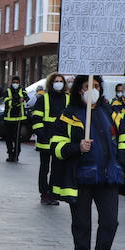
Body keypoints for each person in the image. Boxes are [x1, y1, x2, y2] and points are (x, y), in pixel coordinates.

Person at [50, 75, 125, 250]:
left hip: (108, 176)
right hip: (81, 178)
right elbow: (56, 146)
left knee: (110, 221)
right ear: (80, 90)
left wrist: (121, 158)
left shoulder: (110, 112)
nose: (93, 90)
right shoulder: (69, 115)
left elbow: (124, 138)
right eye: (89, 86)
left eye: (96, 86)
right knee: (82, 223)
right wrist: (77, 147)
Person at [33, 72, 72, 205]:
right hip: (45, 139)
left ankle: (53, 193)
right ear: (51, 83)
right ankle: (44, 194)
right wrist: (41, 134)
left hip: (61, 140)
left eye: (61, 81)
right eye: (56, 81)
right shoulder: (43, 98)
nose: (59, 83)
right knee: (44, 168)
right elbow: (37, 118)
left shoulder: (68, 99)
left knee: (57, 168)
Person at [0, 76, 30, 162]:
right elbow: (8, 103)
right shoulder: (8, 91)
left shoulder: (22, 90)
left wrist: (22, 99)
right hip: (9, 118)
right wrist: (17, 101)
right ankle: (10, 154)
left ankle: (16, 154)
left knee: (17, 138)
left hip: (19, 118)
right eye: (14, 82)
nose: (15, 84)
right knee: (8, 138)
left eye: (17, 82)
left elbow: (26, 98)